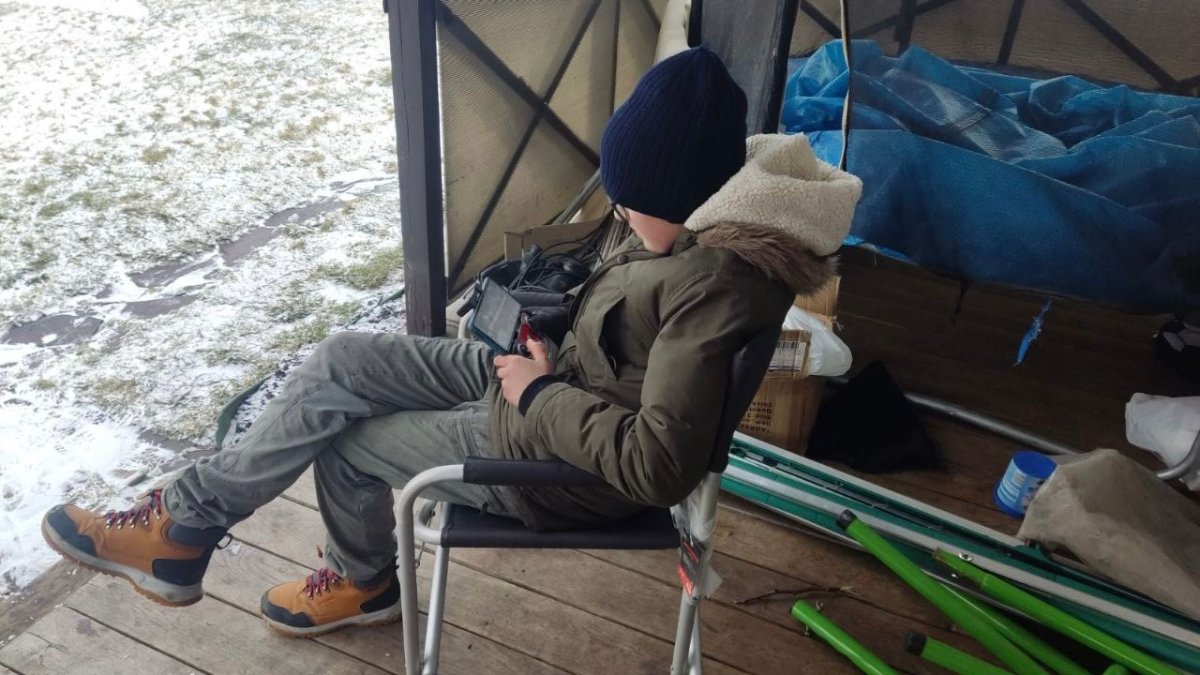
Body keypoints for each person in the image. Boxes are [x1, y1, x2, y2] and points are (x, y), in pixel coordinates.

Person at [41, 47, 861, 636]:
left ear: (683, 195)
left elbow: (658, 464)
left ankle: (363, 585)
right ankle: (183, 528)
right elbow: (626, 331)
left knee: (354, 445)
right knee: (341, 358)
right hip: (546, 381)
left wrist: (538, 393)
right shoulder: (682, 230)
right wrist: (545, 342)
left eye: (628, 195)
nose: (616, 205)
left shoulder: (714, 283)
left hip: (558, 458)